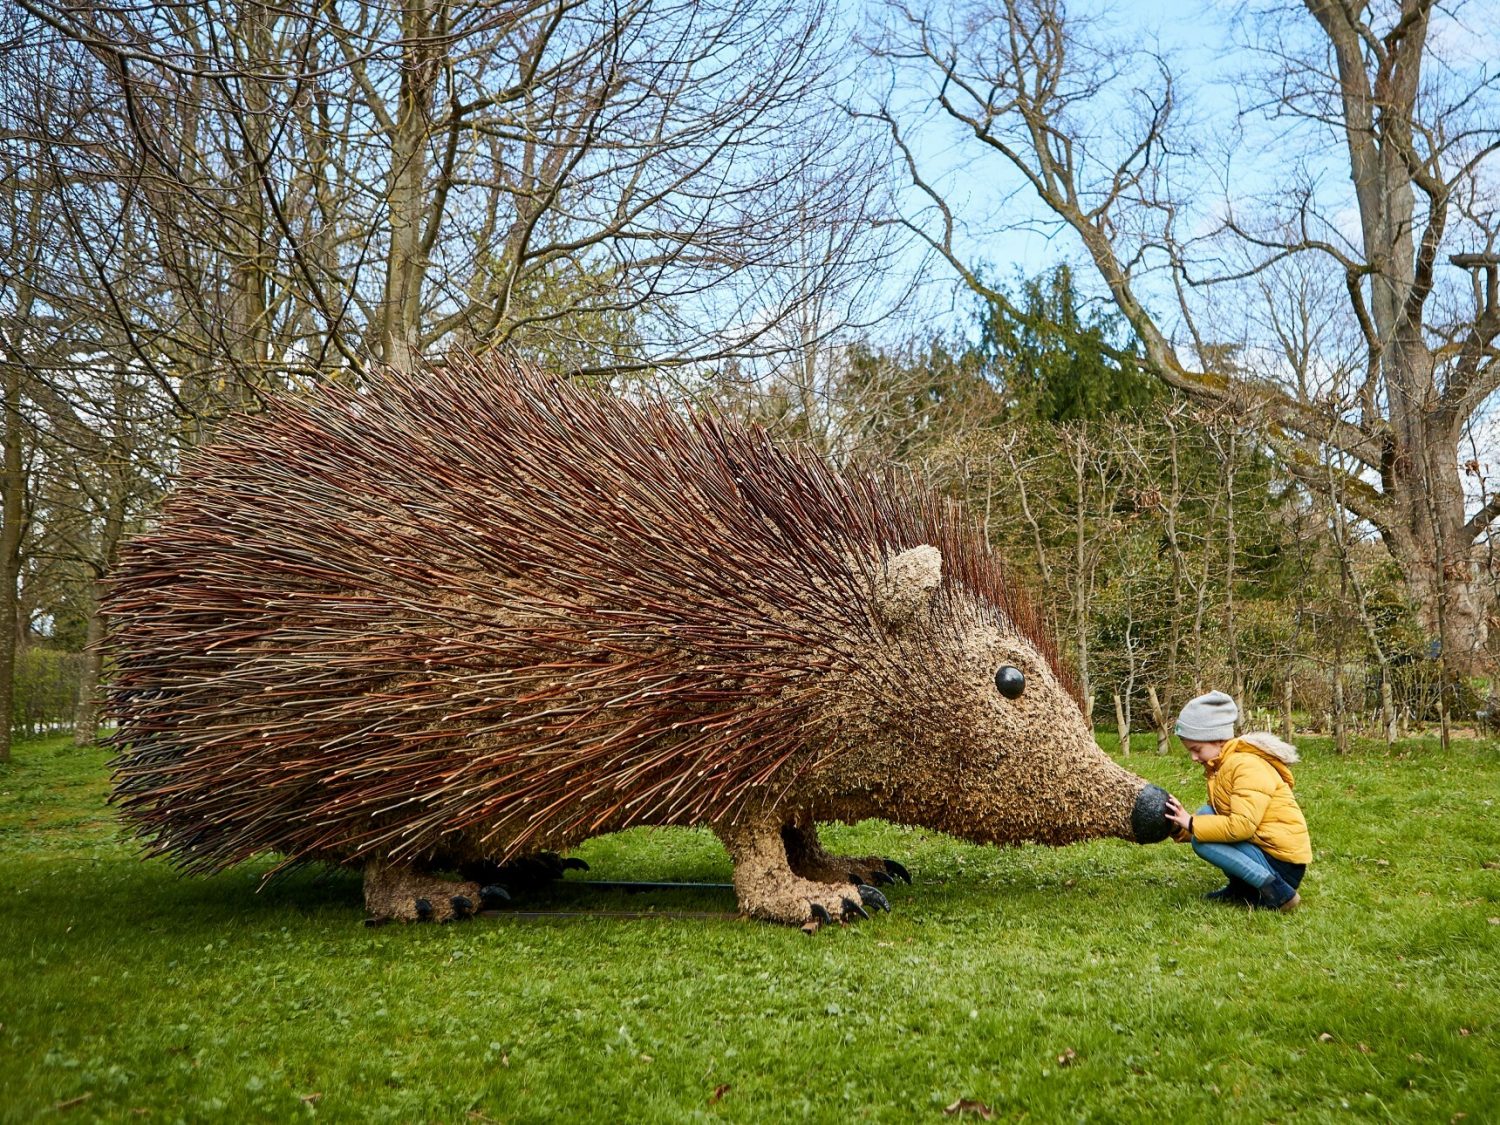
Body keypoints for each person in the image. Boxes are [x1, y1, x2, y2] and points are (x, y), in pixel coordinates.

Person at [1162, 690, 1311, 912]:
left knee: (1201, 838)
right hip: (1263, 850)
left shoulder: (1246, 766)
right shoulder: (1223, 765)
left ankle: (1280, 893)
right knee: (1205, 814)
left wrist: (1192, 823)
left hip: (1283, 863)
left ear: (1218, 739)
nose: (1193, 757)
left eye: (1196, 749)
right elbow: (1219, 822)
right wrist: (1178, 827)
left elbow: (1241, 826)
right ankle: (1243, 889)